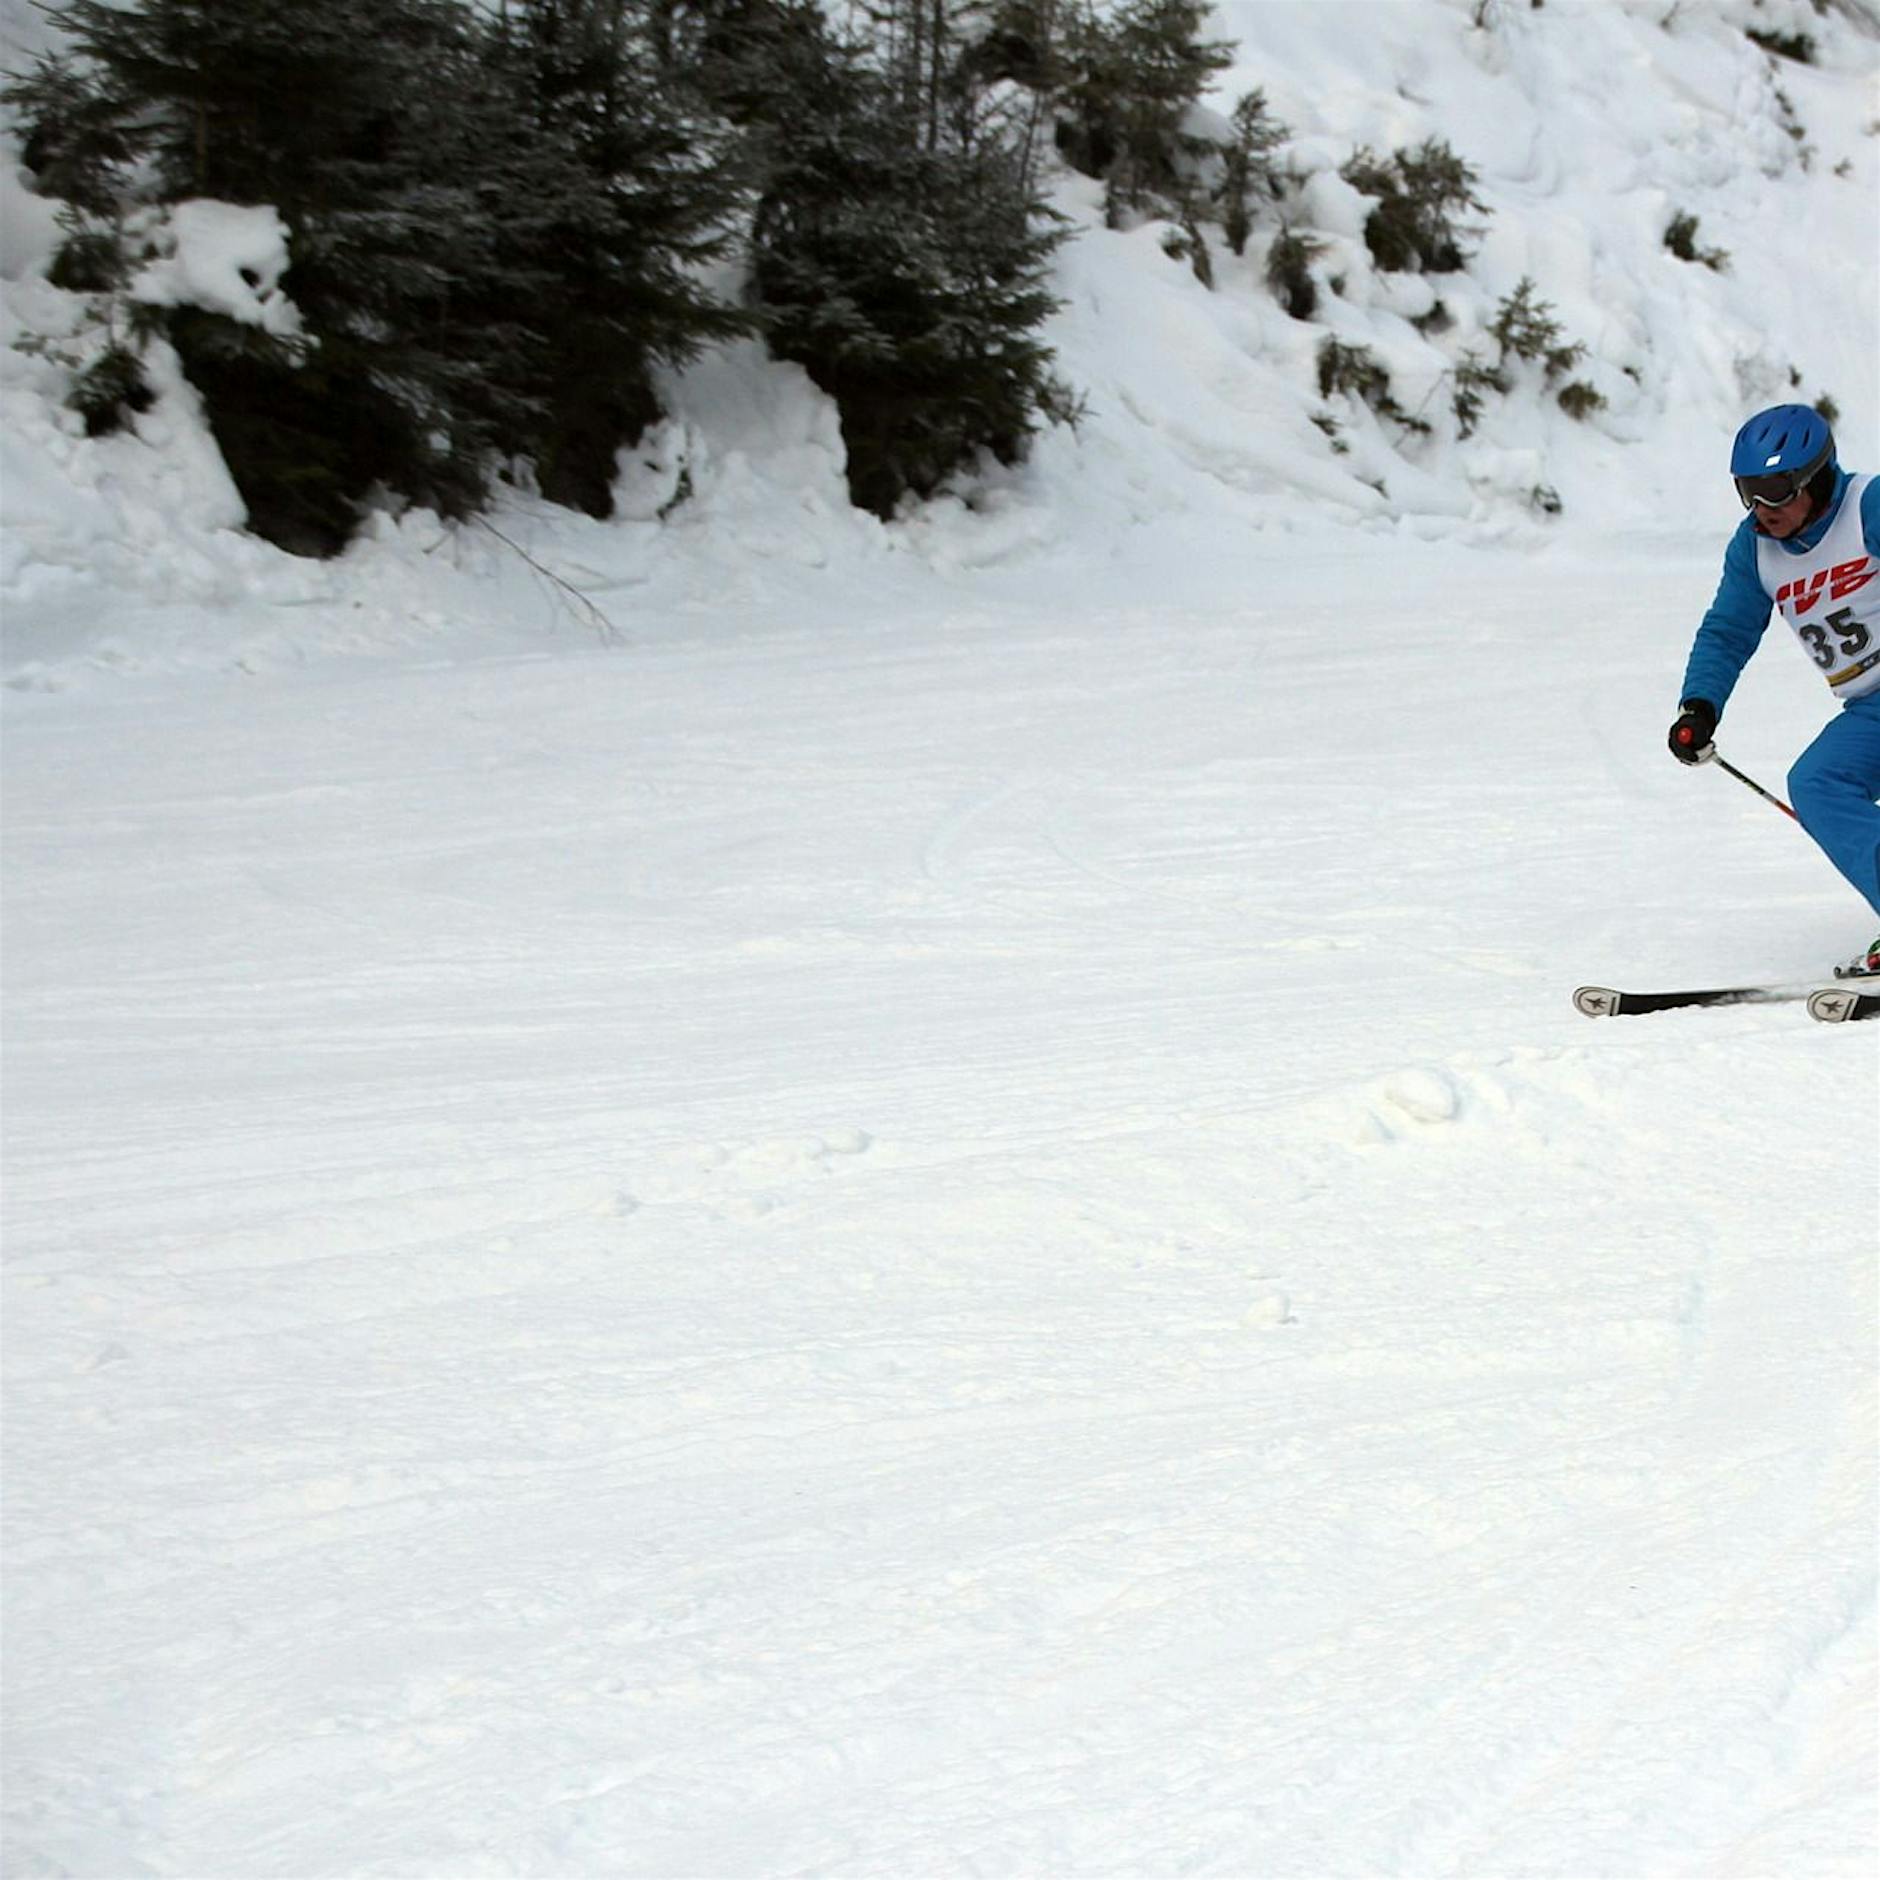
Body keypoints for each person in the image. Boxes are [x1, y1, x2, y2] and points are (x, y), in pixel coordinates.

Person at [1669, 403, 1880, 977]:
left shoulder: (1869, 506)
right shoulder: (1755, 549)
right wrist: (1700, 706)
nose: (1762, 509)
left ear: (1815, 479)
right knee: (1818, 781)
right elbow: (1728, 630)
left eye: (1776, 491)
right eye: (1748, 492)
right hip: (1870, 709)